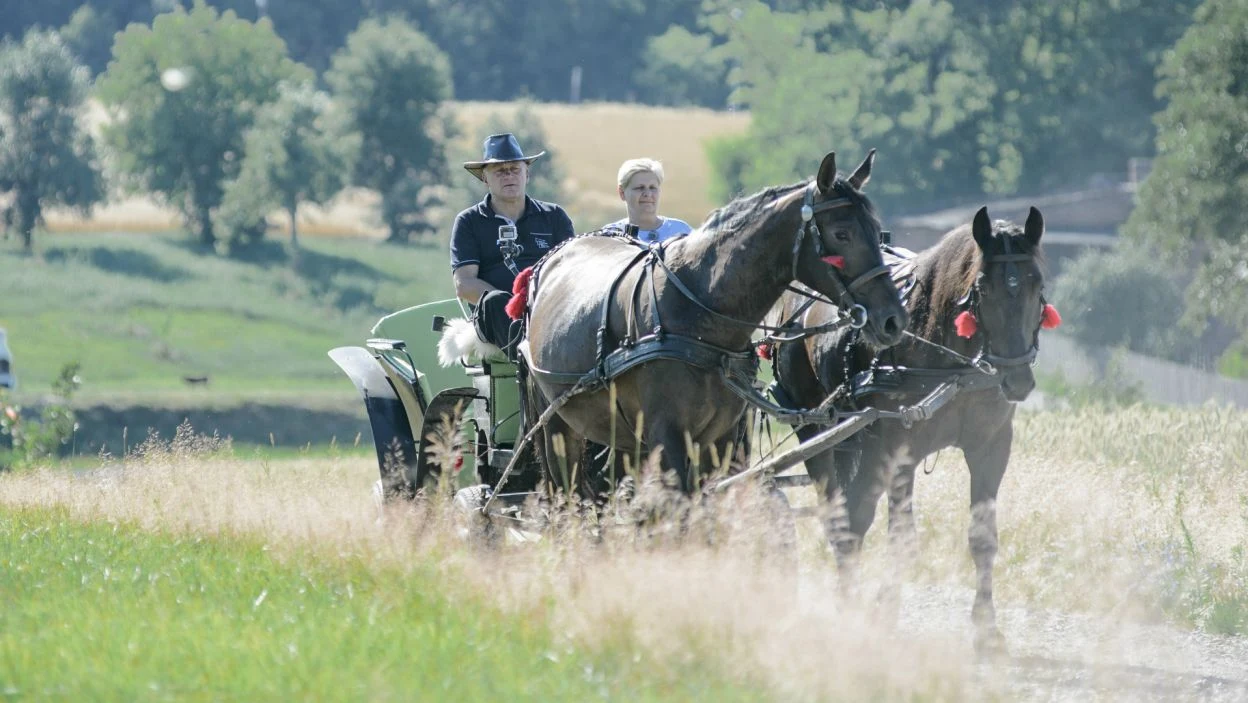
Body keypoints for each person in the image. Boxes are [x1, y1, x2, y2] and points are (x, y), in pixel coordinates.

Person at [451, 133, 575, 353]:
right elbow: (465, 285)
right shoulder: (469, 221)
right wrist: (514, 304)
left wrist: (537, 301)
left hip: (549, 307)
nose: (508, 176)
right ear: (485, 178)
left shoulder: (554, 216)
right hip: (496, 318)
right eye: (499, 171)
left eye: (515, 169)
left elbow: (571, 272)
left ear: (527, 174)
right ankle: (527, 365)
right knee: (493, 301)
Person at [604, 158, 691, 244]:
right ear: (622, 193)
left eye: (652, 187)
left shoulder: (682, 232)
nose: (648, 194)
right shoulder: (610, 237)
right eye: (640, 188)